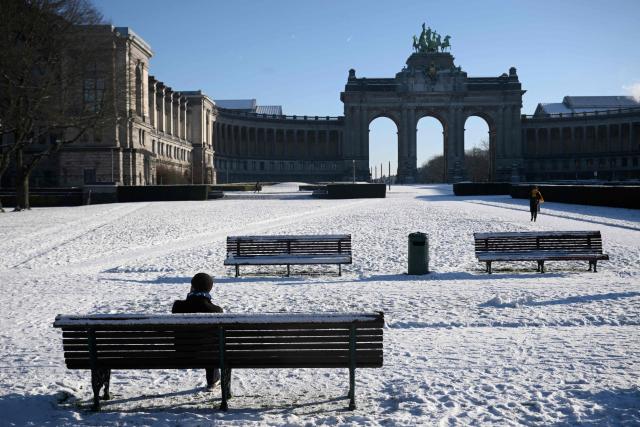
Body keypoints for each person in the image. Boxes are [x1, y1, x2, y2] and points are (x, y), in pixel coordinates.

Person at [172, 272, 223, 390]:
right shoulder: (215, 310)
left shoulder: (178, 306)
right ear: (209, 290)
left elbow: (187, 305)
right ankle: (213, 380)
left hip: (182, 354)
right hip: (207, 356)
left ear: (192, 286)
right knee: (211, 345)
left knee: (208, 345)